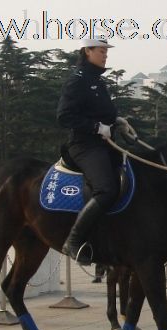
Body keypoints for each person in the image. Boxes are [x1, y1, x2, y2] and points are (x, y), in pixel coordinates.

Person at [57, 38, 120, 264]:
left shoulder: (97, 81)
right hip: (84, 145)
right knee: (105, 190)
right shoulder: (77, 80)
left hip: (105, 144)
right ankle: (73, 241)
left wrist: (117, 122)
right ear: (87, 51)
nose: (105, 55)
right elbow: (64, 116)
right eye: (101, 51)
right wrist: (95, 127)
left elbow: (102, 112)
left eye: (106, 52)